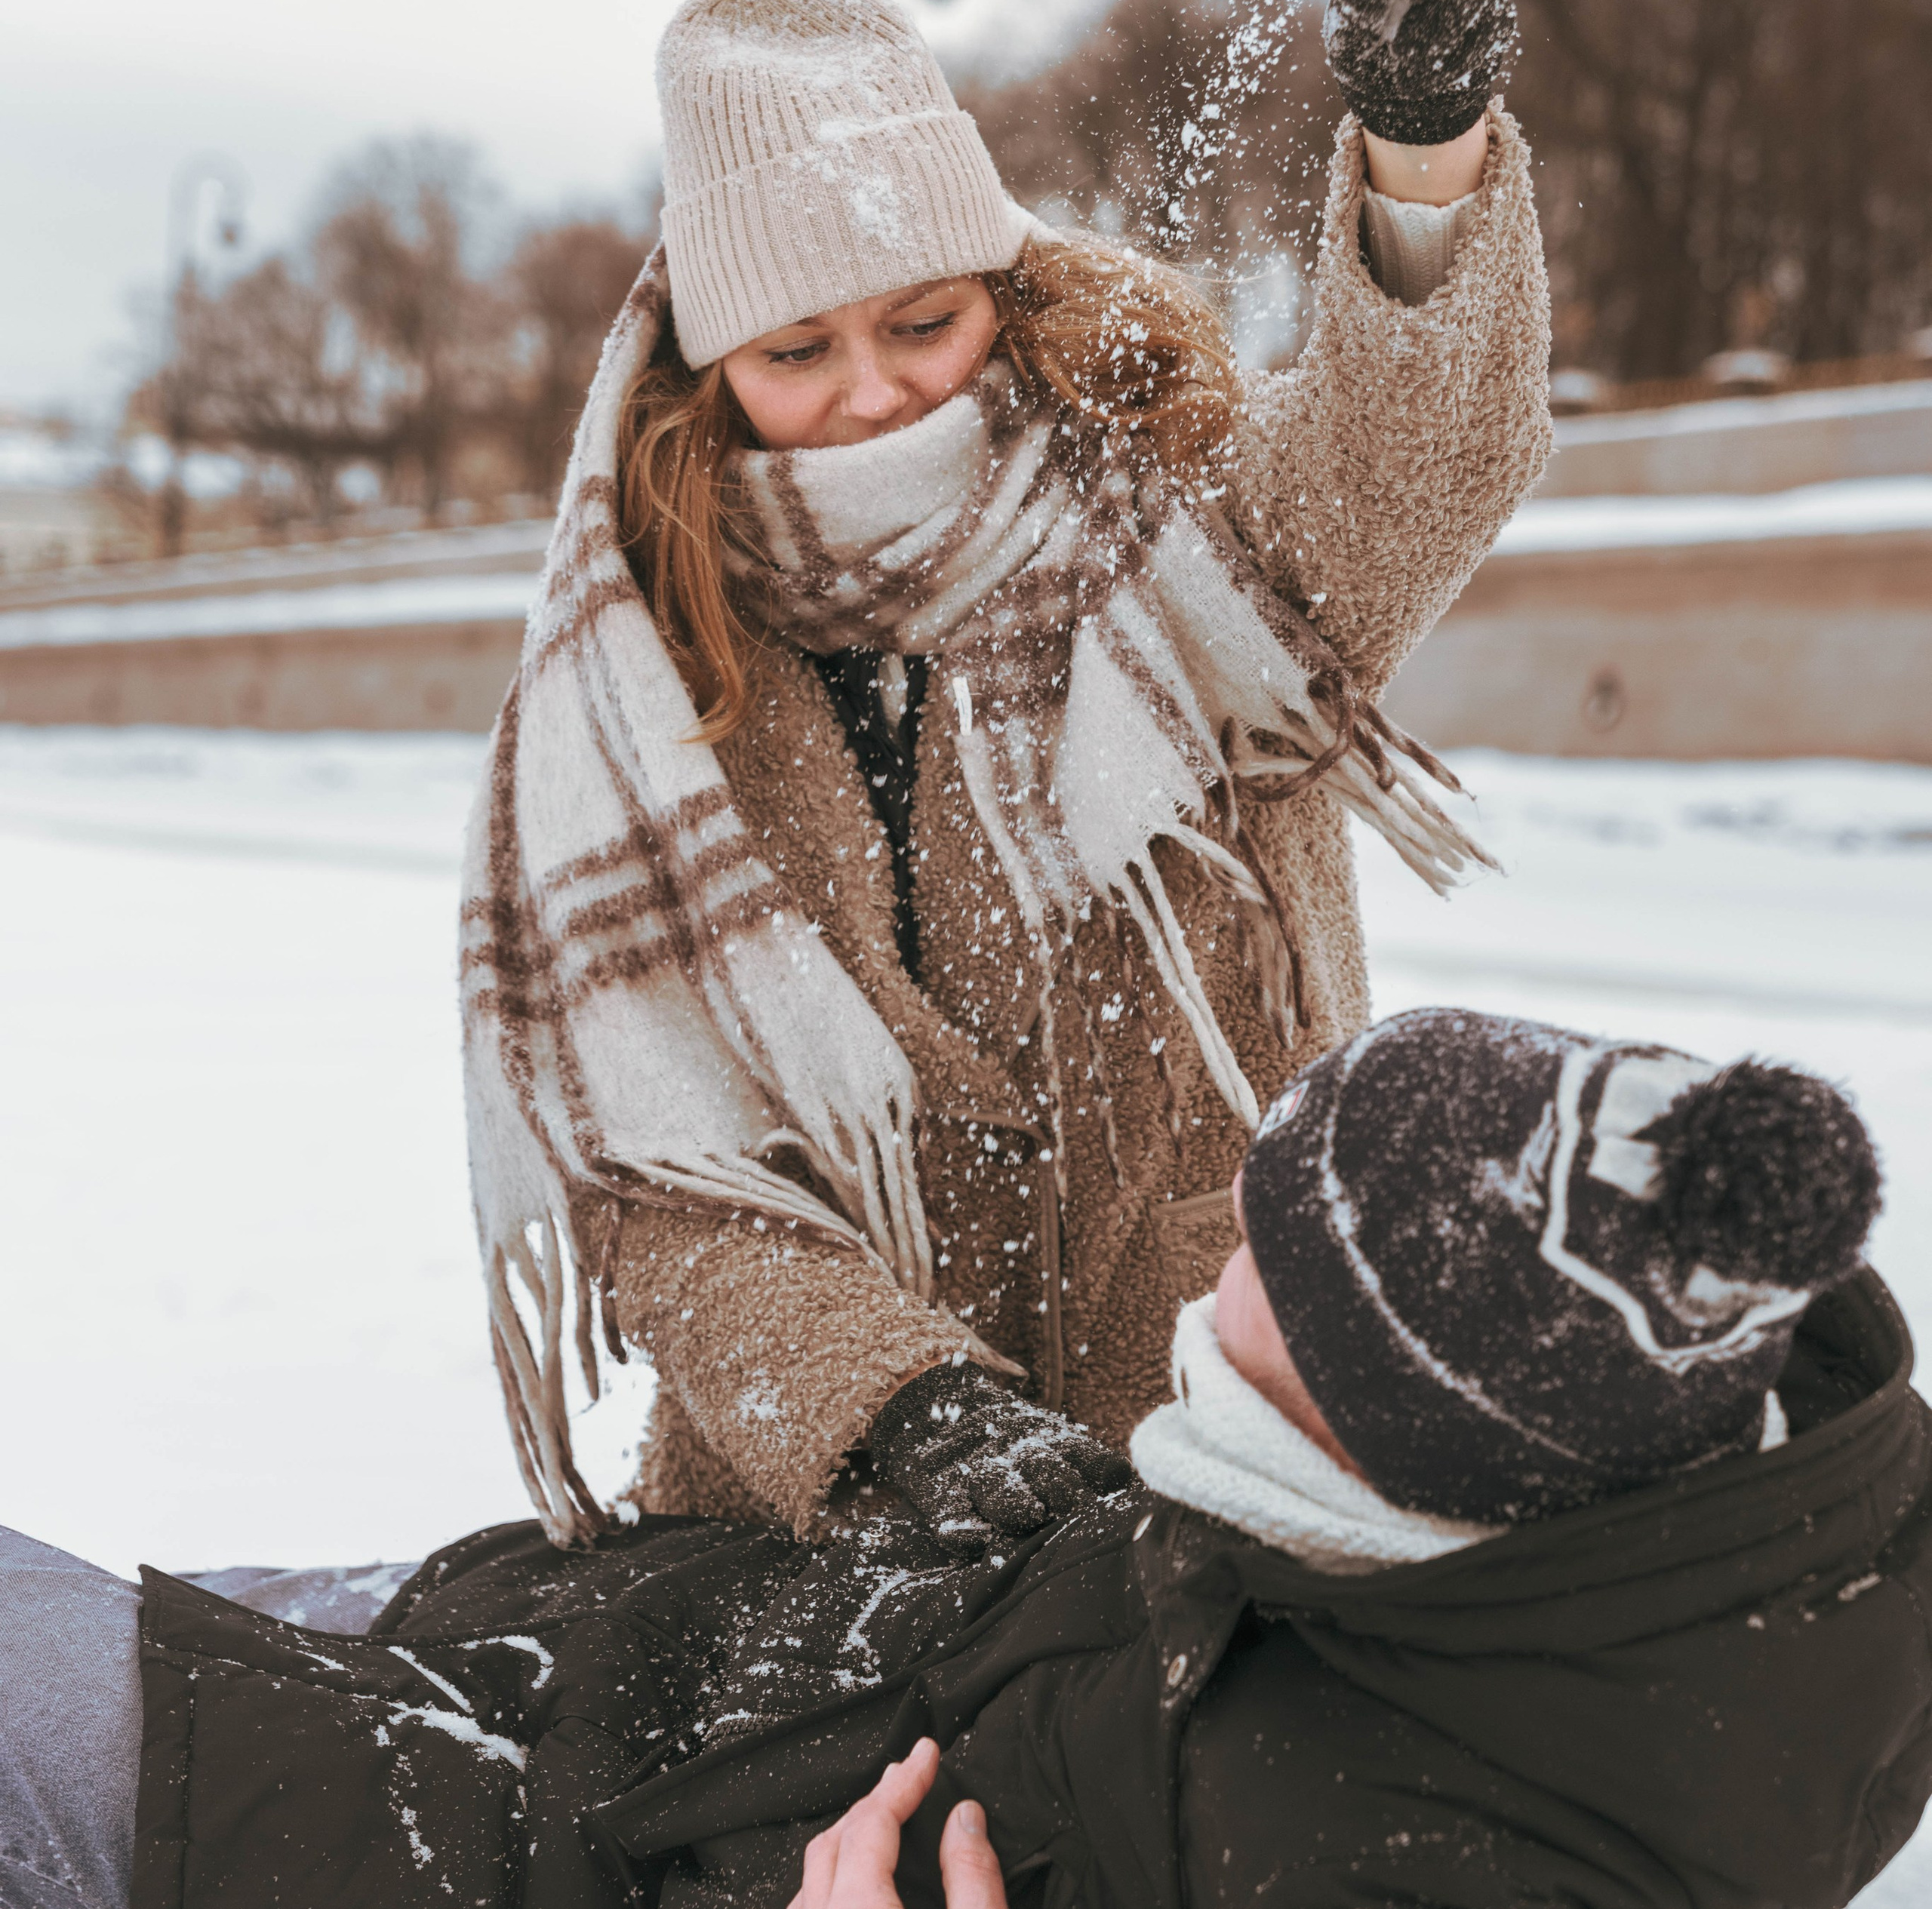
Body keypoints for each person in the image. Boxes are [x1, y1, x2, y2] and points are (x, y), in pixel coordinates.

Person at [10, 1010, 1924, 1909]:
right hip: (591, 1651)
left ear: (1375, 1432)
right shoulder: (1535, 1524)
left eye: (1266, 1266)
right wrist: (952, 1438)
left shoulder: (1438, 1881)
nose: (1215, 1261)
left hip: (508, 1862)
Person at [460, 0, 1556, 1560]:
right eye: (794, 350)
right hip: (823, 1521)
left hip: (1226, 1446)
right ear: (709, 369)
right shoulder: (636, 673)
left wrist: (1422, 139)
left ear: (1003, 286)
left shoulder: (1182, 525)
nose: (871, 391)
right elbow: (659, 1163)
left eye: (922, 322)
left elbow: (1420, 454)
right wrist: (888, 1408)